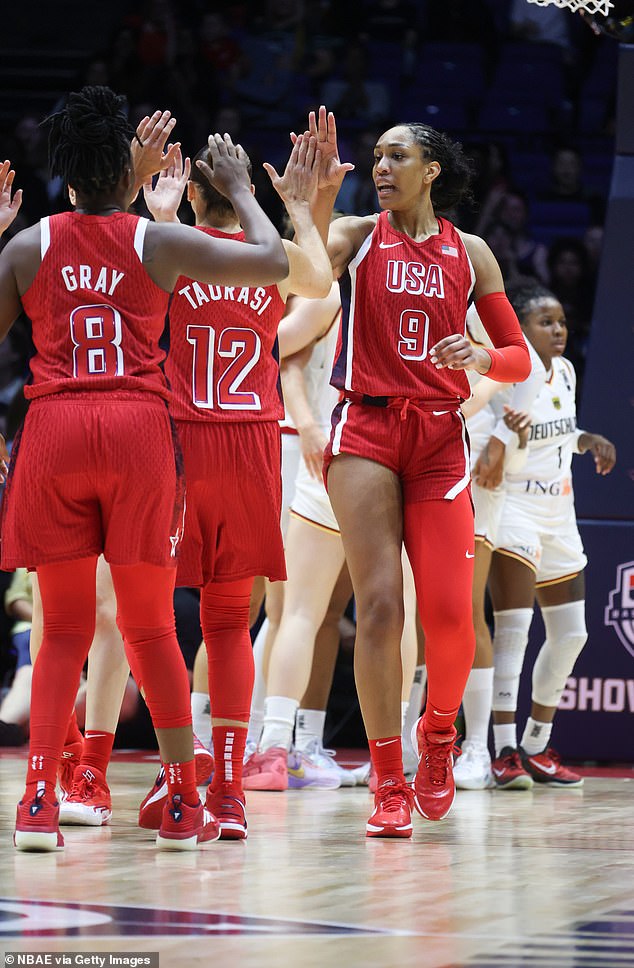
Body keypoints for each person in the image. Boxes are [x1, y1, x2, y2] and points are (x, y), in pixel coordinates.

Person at [0, 85, 288, 852]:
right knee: (151, 628)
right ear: (131, 176)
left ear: (62, 176)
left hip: (55, 428)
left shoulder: (28, 246)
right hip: (137, 431)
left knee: (60, 628)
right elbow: (272, 259)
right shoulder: (154, 241)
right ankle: (187, 802)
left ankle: (37, 801)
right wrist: (236, 189)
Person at [305, 108, 531, 838]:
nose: (380, 167)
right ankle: (388, 779)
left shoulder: (471, 252)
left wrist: (481, 359)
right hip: (365, 428)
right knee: (376, 609)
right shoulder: (355, 234)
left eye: (395, 156)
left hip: (438, 439)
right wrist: (304, 203)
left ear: (431, 170)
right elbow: (300, 272)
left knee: (449, 616)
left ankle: (437, 735)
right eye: (374, 156)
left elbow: (518, 356)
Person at [133, 125, 333, 839]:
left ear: (190, 193)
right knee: (230, 623)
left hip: (183, 445)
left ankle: (178, 776)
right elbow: (321, 283)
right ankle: (227, 790)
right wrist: (299, 207)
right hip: (251, 451)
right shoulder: (267, 262)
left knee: (161, 619)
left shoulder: (170, 255)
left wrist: (159, 217)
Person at [487, 282, 615, 788]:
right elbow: (499, 453)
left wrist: (589, 440)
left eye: (561, 321)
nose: (558, 330)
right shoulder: (507, 378)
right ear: (519, 327)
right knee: (513, 636)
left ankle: (537, 745)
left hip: (559, 512)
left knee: (572, 635)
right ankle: (501, 750)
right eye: (546, 321)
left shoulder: (565, 369)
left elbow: (560, 431)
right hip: (515, 510)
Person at [453, 305, 546, 791]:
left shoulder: (485, 307)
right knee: (418, 610)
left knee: (466, 611)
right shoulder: (416, 290)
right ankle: (418, 741)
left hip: (477, 469)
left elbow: (527, 371)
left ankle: (476, 748)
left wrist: (501, 441)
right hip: (425, 454)